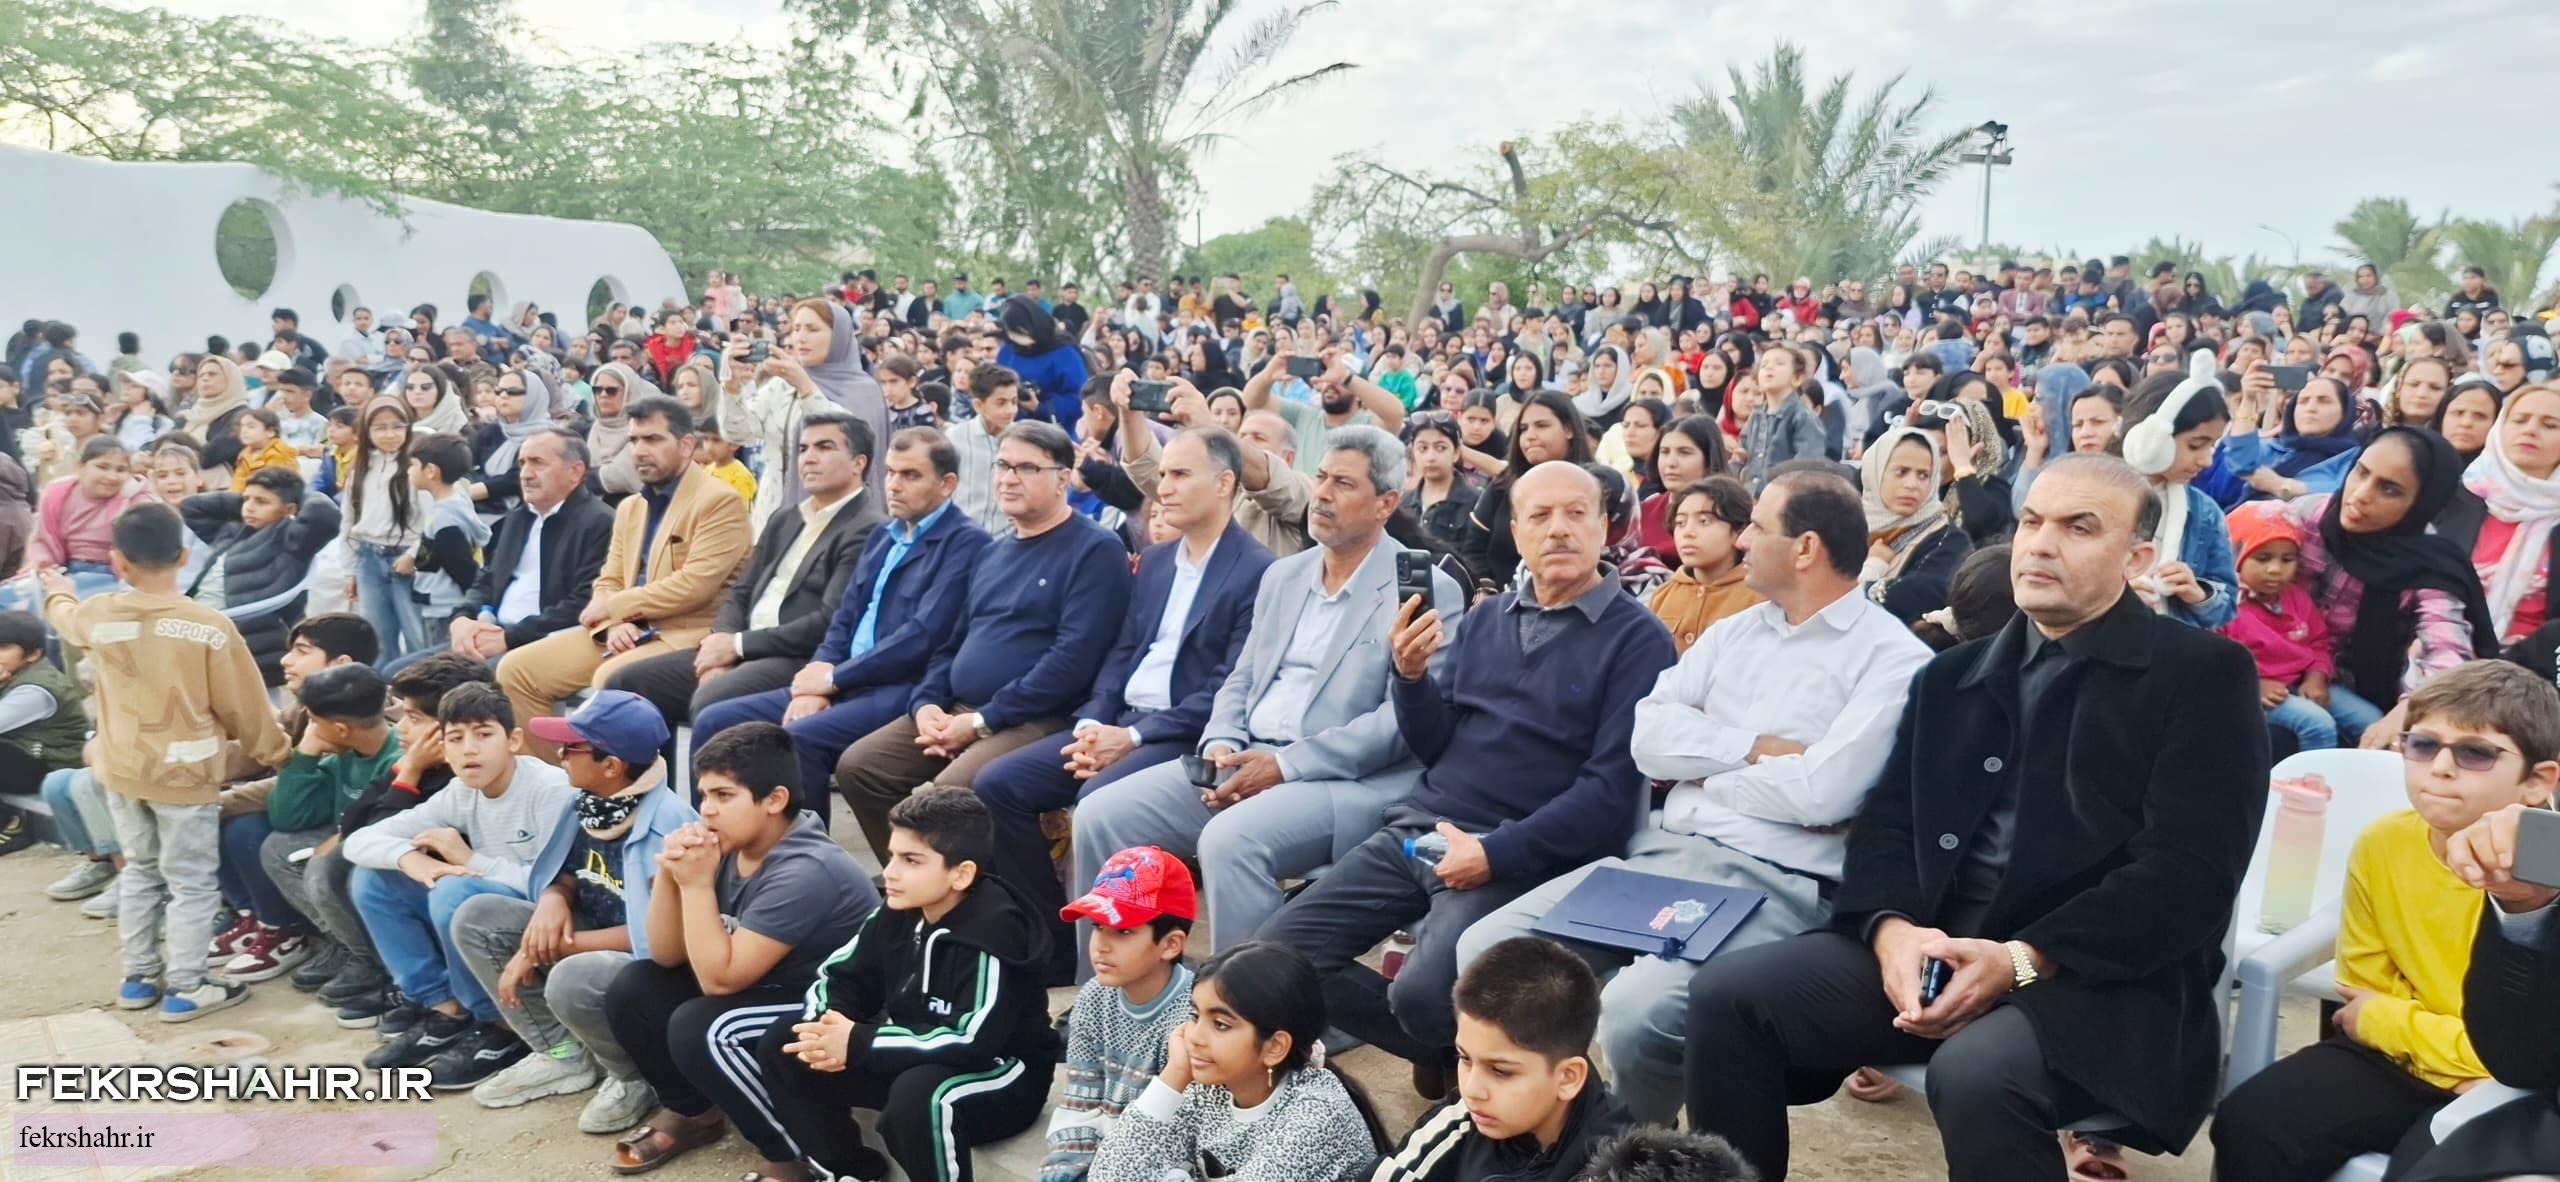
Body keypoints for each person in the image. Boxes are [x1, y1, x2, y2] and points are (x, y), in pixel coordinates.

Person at [1681, 454, 2271, 1181]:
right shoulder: (1951, 677)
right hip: (1937, 951)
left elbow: (2191, 871)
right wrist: (1891, 933)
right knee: (1729, 997)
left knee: (1977, 1072)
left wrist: (2021, 960)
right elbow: (1887, 830)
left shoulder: (2203, 676)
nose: (2041, 544)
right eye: (2031, 522)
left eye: (2078, 527)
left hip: (2101, 984)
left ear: (2138, 557)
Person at [1459, 465, 1929, 1124]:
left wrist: (1701, 769)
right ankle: (1564, 1131)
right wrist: (1752, 751)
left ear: (1805, 549)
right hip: (1667, 858)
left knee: (1636, 1011)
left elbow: (1822, 793)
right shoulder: (1738, 632)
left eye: (1756, 528)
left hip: (1777, 881)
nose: (1740, 543)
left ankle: (1636, 1154)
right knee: (1488, 953)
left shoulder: (1893, 660)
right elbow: (1648, 738)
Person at [1263, 462, 1677, 1093]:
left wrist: (1493, 852)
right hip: (1422, 829)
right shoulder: (1488, 618)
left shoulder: (1638, 639)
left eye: (1575, 514)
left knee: (1427, 994)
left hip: (1522, 851)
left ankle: (1479, 1064)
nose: (1558, 530)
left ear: (1605, 526)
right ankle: (1462, 1058)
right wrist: (1408, 678)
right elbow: (1437, 744)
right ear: (1515, 530)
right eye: (1539, 516)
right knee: (1277, 962)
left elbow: (1610, 791)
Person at [1069, 426, 1462, 967]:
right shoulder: (1285, 575)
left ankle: (1248, 1009)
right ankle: (1108, 990)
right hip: (1245, 755)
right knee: (1101, 813)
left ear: (1385, 504)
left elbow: (1398, 723)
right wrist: (1221, 740)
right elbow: (1241, 676)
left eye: (1342, 484)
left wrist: (1283, 765)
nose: (1320, 494)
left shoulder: (1422, 590)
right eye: (1320, 477)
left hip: (1343, 779)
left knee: (1231, 840)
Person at [2211, 660, 2550, 1180]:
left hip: (2512, 1077)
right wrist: (2404, 1033)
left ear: (2537, 781)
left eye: (2475, 753)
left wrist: (2387, 1023)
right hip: (2403, 1057)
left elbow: (2524, 1049)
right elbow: (2361, 991)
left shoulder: (2545, 872)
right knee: (2253, 1120)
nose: (2440, 767)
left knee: (2432, 1165)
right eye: (2422, 744)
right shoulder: (2383, 842)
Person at [972, 426, 1273, 981]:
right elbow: (1124, 650)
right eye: (1163, 475)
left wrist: (1129, 739)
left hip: (1182, 733)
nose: (1165, 488)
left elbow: (1228, 686)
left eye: (1181, 474)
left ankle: (1110, 981)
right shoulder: (1157, 561)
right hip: (1119, 721)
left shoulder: (1257, 569)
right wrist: (1093, 723)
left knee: (1097, 801)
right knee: (999, 784)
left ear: (1226, 483)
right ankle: (1056, 947)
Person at [42, 503, 292, 1020]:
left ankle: (137, 979)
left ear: (117, 562)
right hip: (187, 775)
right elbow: (244, 707)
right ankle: (187, 984)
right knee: (191, 881)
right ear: (182, 555)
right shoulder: (208, 626)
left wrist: (57, 588)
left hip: (124, 770)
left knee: (140, 871)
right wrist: (280, 755)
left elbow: (64, 619)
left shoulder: (100, 615)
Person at [836, 421, 1133, 857]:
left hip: (1038, 715)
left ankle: (967, 897)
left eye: (1027, 468)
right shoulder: (994, 550)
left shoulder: (1094, 548)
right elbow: (953, 643)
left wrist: (980, 722)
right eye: (1003, 465)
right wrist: (927, 705)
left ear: (1062, 479)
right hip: (960, 708)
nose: (1009, 478)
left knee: (944, 798)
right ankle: (923, 883)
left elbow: (1071, 661)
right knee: (861, 767)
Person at [600, 723, 878, 1173]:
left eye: (724, 796)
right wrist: (672, 876)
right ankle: (695, 1113)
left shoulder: (805, 869)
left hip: (835, 1004)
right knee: (636, 987)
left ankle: (792, 1154)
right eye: (704, 795)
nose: (706, 812)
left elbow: (719, 981)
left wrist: (695, 887)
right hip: (768, 985)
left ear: (774, 800)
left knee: (702, 1026)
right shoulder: (732, 843)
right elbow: (664, 955)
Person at [689, 427, 991, 822]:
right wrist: (818, 672)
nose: (894, 486)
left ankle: (805, 861)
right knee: (718, 718)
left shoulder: (966, 543)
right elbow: (845, 616)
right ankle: (717, 840)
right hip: (846, 677)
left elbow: (921, 637)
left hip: (902, 685)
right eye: (890, 473)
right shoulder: (886, 534)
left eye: (910, 475)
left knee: (801, 739)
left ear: (947, 484)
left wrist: (833, 681)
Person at [764, 787, 1061, 1182]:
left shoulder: (995, 932)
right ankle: (851, 1172)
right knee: (788, 1042)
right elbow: (840, 976)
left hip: (1000, 1076)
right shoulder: (901, 908)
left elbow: (972, 1041)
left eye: (911, 860)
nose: (890, 873)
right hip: (914, 1055)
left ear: (962, 874)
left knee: (920, 1097)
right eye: (891, 856)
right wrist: (827, 1027)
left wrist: (860, 1042)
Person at [451, 690, 691, 1123]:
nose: (560, 754)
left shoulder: (666, 826)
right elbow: (568, 872)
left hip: (650, 969)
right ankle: (561, 1053)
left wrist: (553, 947)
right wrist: (553, 899)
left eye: (573, 747)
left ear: (612, 765)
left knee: (571, 977)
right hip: (591, 931)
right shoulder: (591, 800)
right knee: (478, 918)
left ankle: (636, 1078)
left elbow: (658, 940)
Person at [343, 682, 575, 1082]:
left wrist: (469, 860)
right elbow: (359, 841)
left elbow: (556, 886)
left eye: (484, 735)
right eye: (456, 738)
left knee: (455, 890)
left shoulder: (549, 789)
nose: (469, 749)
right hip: (488, 909)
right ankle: (446, 1009)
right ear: (443, 749)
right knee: (375, 879)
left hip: (546, 920)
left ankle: (499, 1026)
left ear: (514, 740)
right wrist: (409, 859)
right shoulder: (460, 792)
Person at [495, 396, 751, 756]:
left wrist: (617, 609)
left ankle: (620, 794)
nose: (640, 451)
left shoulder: (719, 501)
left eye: (653, 440)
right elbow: (609, 579)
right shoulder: (632, 506)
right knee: (517, 670)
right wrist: (613, 621)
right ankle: (556, 792)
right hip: (623, 630)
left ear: (686, 444)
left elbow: (695, 586)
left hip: (686, 631)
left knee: (609, 680)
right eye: (633, 441)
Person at [603, 408, 884, 727]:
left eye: (824, 447)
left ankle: (719, 778)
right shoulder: (787, 517)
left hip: (795, 656)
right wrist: (720, 642)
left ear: (858, 463)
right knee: (626, 684)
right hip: (742, 646)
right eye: (803, 449)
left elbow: (827, 621)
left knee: (714, 702)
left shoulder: (867, 527)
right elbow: (741, 591)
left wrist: (735, 647)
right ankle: (651, 778)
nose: (809, 458)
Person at [277, 652, 483, 1029]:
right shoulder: (418, 764)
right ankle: (432, 997)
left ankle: (479, 1016)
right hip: (441, 895)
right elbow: (356, 826)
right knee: (363, 871)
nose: (400, 727)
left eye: (415, 718)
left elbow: (378, 828)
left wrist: (411, 772)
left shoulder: (464, 779)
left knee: (367, 876)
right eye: (401, 713)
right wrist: (408, 771)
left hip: (478, 902)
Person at [2266, 428, 2497, 748]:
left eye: (2389, 489)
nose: (2361, 494)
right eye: (2361, 472)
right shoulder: (2305, 517)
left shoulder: (2428, 562)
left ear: (2422, 503)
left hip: (2347, 686)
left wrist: (2410, 707)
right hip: (2266, 665)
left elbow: (2447, 648)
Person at [1089, 942, 1387, 1182]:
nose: (1194, 1038)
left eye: (1220, 1024)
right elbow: (1109, 1174)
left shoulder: (1316, 1115)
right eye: (1195, 1016)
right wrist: (1173, 1076)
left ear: (1275, 1047)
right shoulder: (1212, 1086)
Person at [1372, 936, 1634, 1182]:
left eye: (1500, 1071)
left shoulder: (1618, 1167)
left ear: (1568, 1077)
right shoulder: (1464, 1118)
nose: (1471, 1090)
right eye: (1464, 1058)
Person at [1042, 847, 1198, 1182]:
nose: (1101, 945)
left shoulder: (1193, 1019)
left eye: (1124, 931)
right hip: (1104, 1161)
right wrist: (1062, 1173)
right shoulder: (1094, 997)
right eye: (1098, 926)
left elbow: (1181, 1146)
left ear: (1171, 944)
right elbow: (1079, 1106)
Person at [719, 299, 888, 532]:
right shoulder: (781, 385)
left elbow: (848, 439)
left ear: (839, 337)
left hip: (836, 519)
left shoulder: (863, 390)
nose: (800, 337)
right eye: (796, 328)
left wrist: (806, 389)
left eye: (813, 329)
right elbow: (739, 433)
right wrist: (732, 387)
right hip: (775, 514)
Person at [179, 466, 344, 685]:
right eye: (247, 500)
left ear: (290, 509)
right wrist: (252, 500)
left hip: (252, 639)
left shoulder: (291, 539)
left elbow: (325, 516)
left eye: (262, 502)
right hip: (204, 629)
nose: (250, 508)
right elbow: (191, 507)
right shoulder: (232, 530)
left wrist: (294, 493)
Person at [2114, 365, 2239, 630]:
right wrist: (2111, 596)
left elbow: (2227, 605)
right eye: (2195, 445)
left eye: (2212, 446)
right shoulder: (2090, 495)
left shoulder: (2204, 512)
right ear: (2150, 439)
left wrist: (2199, 594)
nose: (2206, 461)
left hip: (2171, 651)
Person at [2222, 502, 2340, 751]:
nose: (2275, 569)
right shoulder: (2223, 605)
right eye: (2262, 558)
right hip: (2250, 692)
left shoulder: (2297, 597)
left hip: (2300, 682)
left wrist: (2317, 677)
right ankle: (2310, 785)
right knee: (2318, 724)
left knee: (2369, 718)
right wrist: (2251, 685)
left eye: (2287, 559)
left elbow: (2320, 643)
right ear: (2235, 556)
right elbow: (2213, 662)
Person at [1859, 426, 1973, 624]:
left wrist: (1872, 570)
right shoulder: (1846, 525)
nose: (1912, 484)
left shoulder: (1949, 540)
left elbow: (1921, 595)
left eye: (1923, 475)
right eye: (1901, 472)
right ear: (1875, 472)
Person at [1646, 475, 1759, 652]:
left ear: (1739, 531)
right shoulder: (1662, 596)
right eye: (1680, 523)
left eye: (1704, 522)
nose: (1688, 533)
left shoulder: (1759, 596)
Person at [406, 433, 488, 644]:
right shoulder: (457, 504)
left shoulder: (444, 518)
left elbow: (458, 564)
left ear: (431, 471)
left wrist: (471, 599)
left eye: (413, 465)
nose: (409, 471)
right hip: (444, 604)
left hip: (445, 606)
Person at [948, 364, 1020, 531]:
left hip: (1007, 538)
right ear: (978, 405)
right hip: (963, 536)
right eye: (1001, 403)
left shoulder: (1023, 439)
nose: (1010, 410)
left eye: (1014, 402)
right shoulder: (955, 438)